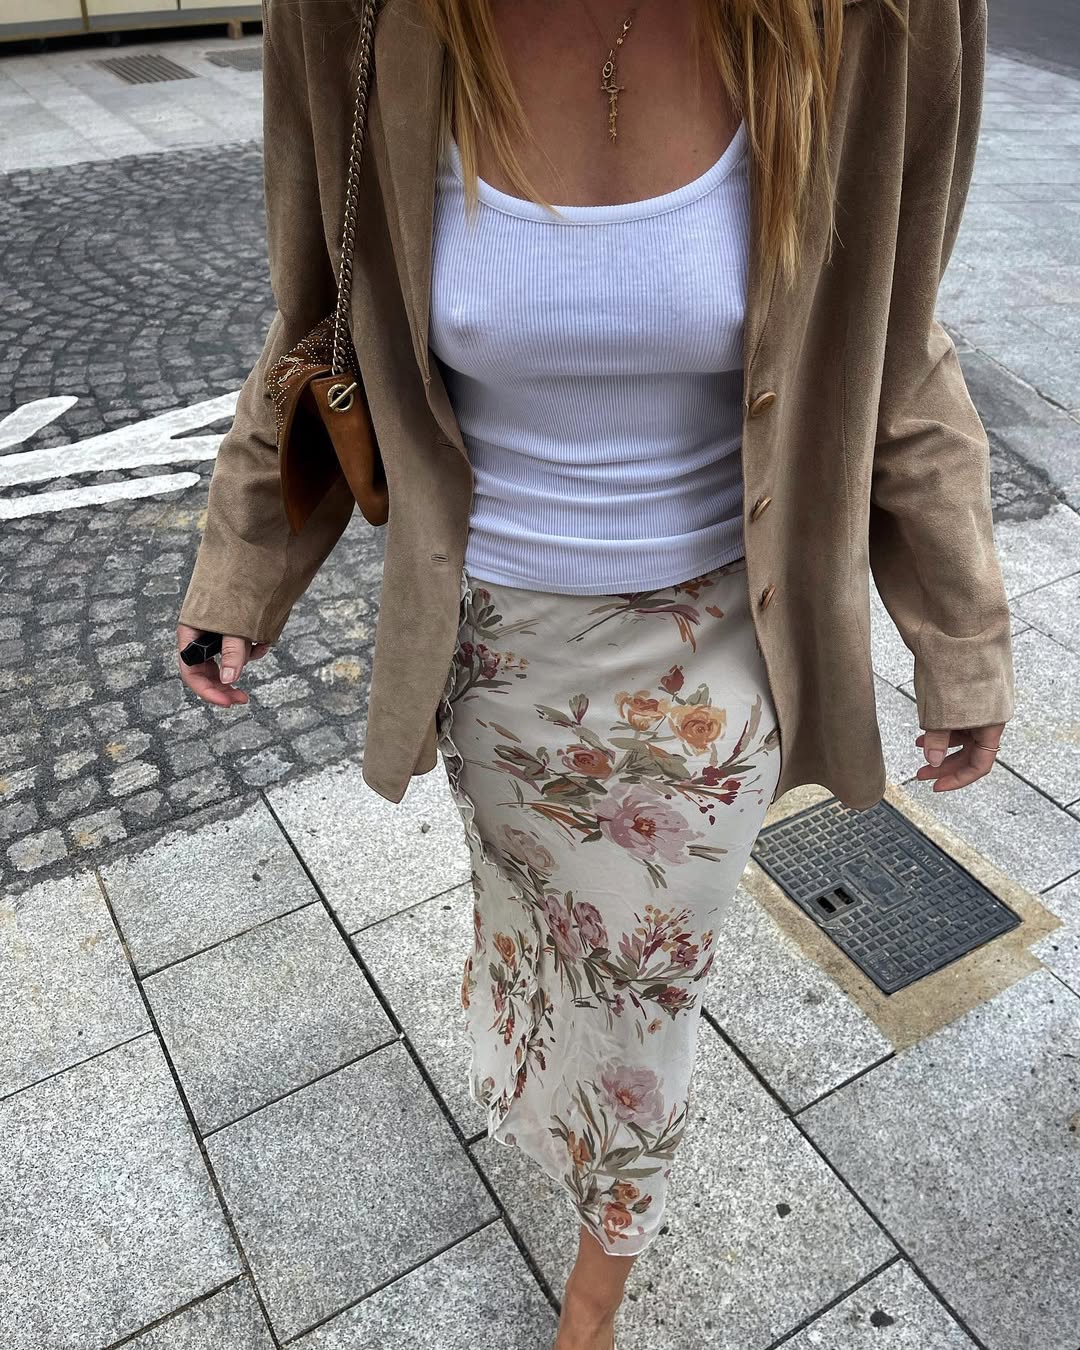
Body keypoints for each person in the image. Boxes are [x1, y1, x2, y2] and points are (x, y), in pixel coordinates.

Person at [176, 1, 1014, 1346]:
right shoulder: (355, 16)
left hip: (714, 660)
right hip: (488, 645)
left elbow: (898, 335)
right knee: (539, 923)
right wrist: (242, 573)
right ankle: (539, 1046)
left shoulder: (882, 18)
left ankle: (596, 1283)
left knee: (643, 988)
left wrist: (960, 630)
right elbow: (318, 314)